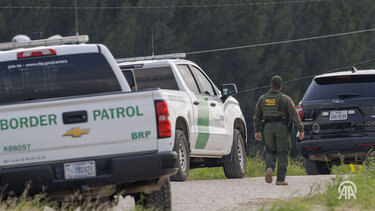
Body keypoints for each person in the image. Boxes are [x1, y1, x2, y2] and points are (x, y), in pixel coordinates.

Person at [253, 75, 304, 185]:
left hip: (267, 128)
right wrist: (301, 130)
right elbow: (295, 116)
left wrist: (257, 130)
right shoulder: (286, 99)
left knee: (270, 150)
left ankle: (269, 168)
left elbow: (257, 116)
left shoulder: (262, 99)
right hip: (282, 127)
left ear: (270, 86)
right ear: (281, 86)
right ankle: (280, 179)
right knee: (283, 152)